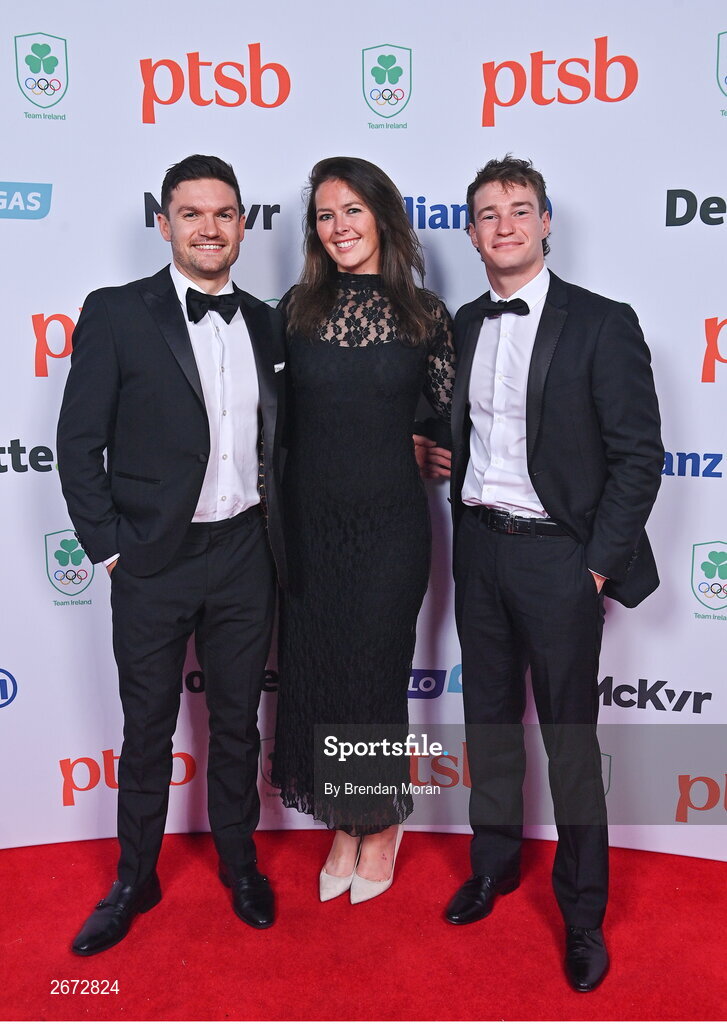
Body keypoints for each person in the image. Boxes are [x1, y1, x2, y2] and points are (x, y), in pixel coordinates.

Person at [57, 154, 286, 955]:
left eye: (224, 213)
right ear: (164, 221)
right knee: (147, 726)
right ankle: (134, 877)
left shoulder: (266, 319)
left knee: (236, 724)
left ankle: (238, 860)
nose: (209, 228)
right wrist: (111, 551)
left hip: (244, 554)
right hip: (152, 559)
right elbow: (78, 444)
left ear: (242, 222)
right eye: (192, 213)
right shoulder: (119, 312)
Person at [443, 156, 663, 991]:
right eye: (488, 213)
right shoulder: (462, 322)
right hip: (478, 548)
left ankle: (581, 914)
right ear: (470, 231)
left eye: (519, 209)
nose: (504, 224)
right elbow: (459, 428)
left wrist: (596, 567)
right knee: (491, 725)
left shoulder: (602, 322)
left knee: (568, 742)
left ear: (544, 223)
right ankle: (493, 867)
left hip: (559, 558)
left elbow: (637, 458)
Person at [271, 156, 454, 903]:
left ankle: (378, 823)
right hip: (307, 524)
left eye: (351, 210)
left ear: (381, 215)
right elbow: (265, 414)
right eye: (324, 214)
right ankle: (343, 820)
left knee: (373, 673)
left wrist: (429, 442)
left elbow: (448, 417)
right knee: (318, 670)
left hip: (387, 527)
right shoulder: (293, 309)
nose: (338, 227)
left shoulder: (425, 315)